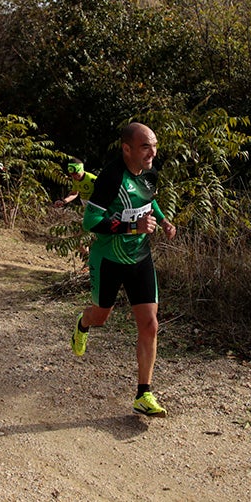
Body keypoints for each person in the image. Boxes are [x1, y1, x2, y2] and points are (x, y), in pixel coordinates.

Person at [70, 122, 177, 417]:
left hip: (140, 257)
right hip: (109, 260)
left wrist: (164, 220)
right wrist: (132, 226)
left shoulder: (151, 171)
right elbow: (90, 221)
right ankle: (83, 322)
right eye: (145, 146)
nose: (152, 152)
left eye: (154, 145)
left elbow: (149, 200)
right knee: (101, 317)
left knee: (150, 324)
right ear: (127, 148)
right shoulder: (111, 177)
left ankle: (144, 394)